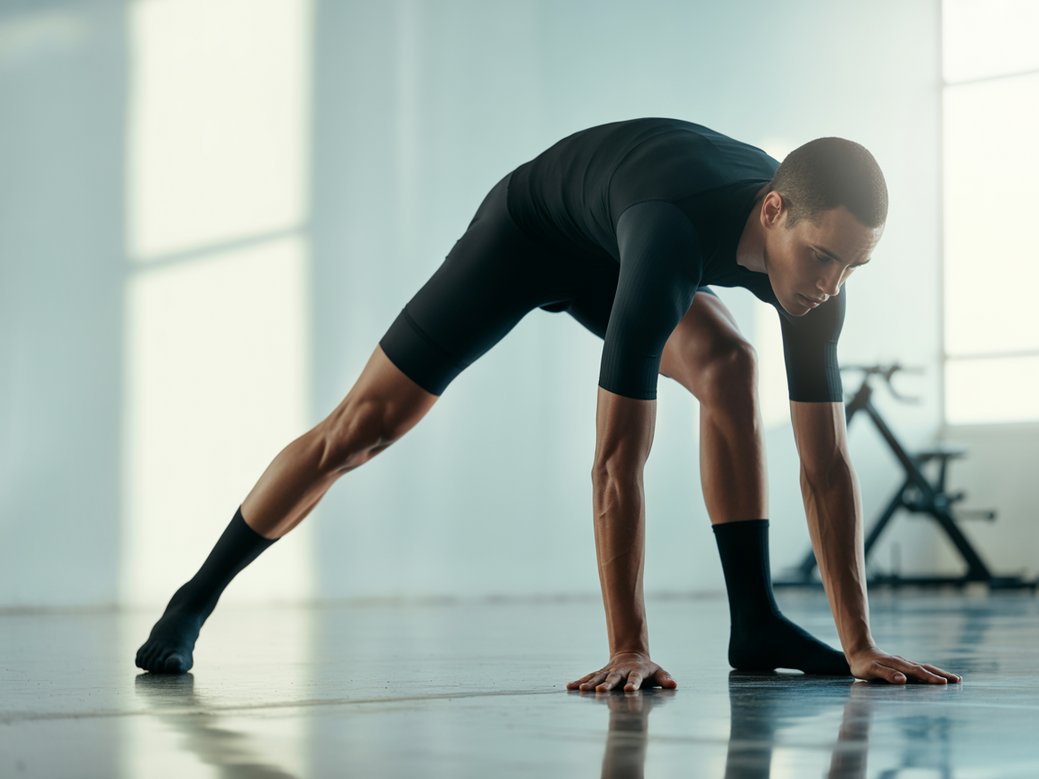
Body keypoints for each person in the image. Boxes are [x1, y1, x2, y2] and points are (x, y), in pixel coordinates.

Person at [135, 118, 962, 690]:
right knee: (365, 427)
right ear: (773, 210)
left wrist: (859, 644)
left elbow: (825, 464)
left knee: (729, 366)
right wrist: (628, 648)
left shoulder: (819, 283)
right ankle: (192, 600)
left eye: (852, 267)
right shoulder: (675, 233)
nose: (828, 284)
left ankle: (757, 624)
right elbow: (614, 463)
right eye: (820, 257)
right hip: (531, 231)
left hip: (617, 233)